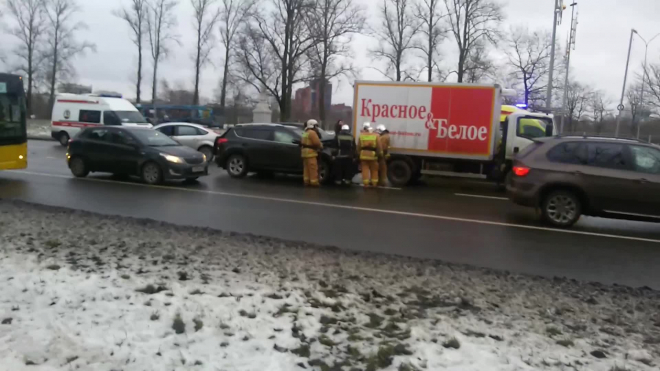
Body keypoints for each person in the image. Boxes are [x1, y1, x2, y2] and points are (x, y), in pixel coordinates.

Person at [357, 122, 381, 188]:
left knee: (365, 170)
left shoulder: (361, 135)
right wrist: (378, 154)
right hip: (373, 156)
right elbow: (379, 147)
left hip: (363, 155)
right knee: (374, 170)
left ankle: (366, 184)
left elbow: (358, 147)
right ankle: (374, 183)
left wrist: (359, 154)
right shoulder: (376, 135)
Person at [300, 119, 323, 186]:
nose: (317, 128)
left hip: (304, 153)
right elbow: (317, 143)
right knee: (313, 168)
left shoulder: (305, 132)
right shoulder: (312, 133)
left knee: (306, 169)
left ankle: (306, 181)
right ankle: (314, 182)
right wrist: (321, 146)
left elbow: (302, 142)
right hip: (311, 154)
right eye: (316, 126)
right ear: (312, 126)